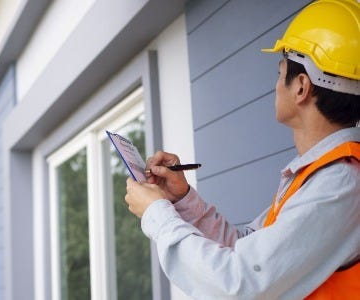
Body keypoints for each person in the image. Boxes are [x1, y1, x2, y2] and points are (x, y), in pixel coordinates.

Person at [124, 0, 360, 298]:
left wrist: (157, 214)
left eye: (279, 72)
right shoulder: (320, 176)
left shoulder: (340, 183)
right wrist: (182, 200)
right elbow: (244, 249)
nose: (275, 85)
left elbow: (238, 284)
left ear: (301, 86)